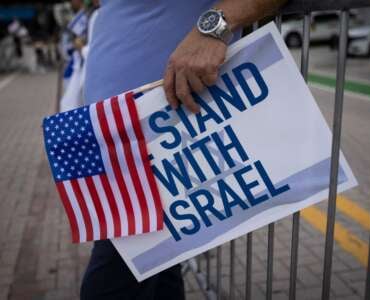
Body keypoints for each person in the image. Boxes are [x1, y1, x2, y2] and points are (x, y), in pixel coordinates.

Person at [81, 1, 286, 299]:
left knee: (111, 282)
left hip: (164, 136)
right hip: (120, 135)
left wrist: (214, 26)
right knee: (159, 274)